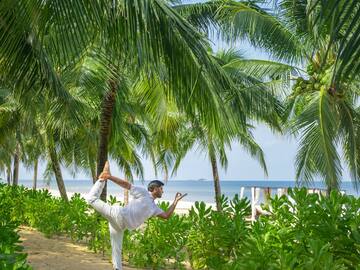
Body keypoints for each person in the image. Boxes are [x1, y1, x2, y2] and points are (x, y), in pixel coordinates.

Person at [85, 161, 187, 270]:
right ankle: (102, 178)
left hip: (121, 226)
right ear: (155, 188)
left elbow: (166, 215)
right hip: (117, 214)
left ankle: (117, 268)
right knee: (91, 199)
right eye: (161, 188)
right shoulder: (144, 193)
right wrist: (109, 177)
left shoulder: (154, 208)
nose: (163, 191)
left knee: (117, 249)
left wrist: (176, 201)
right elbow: (126, 185)